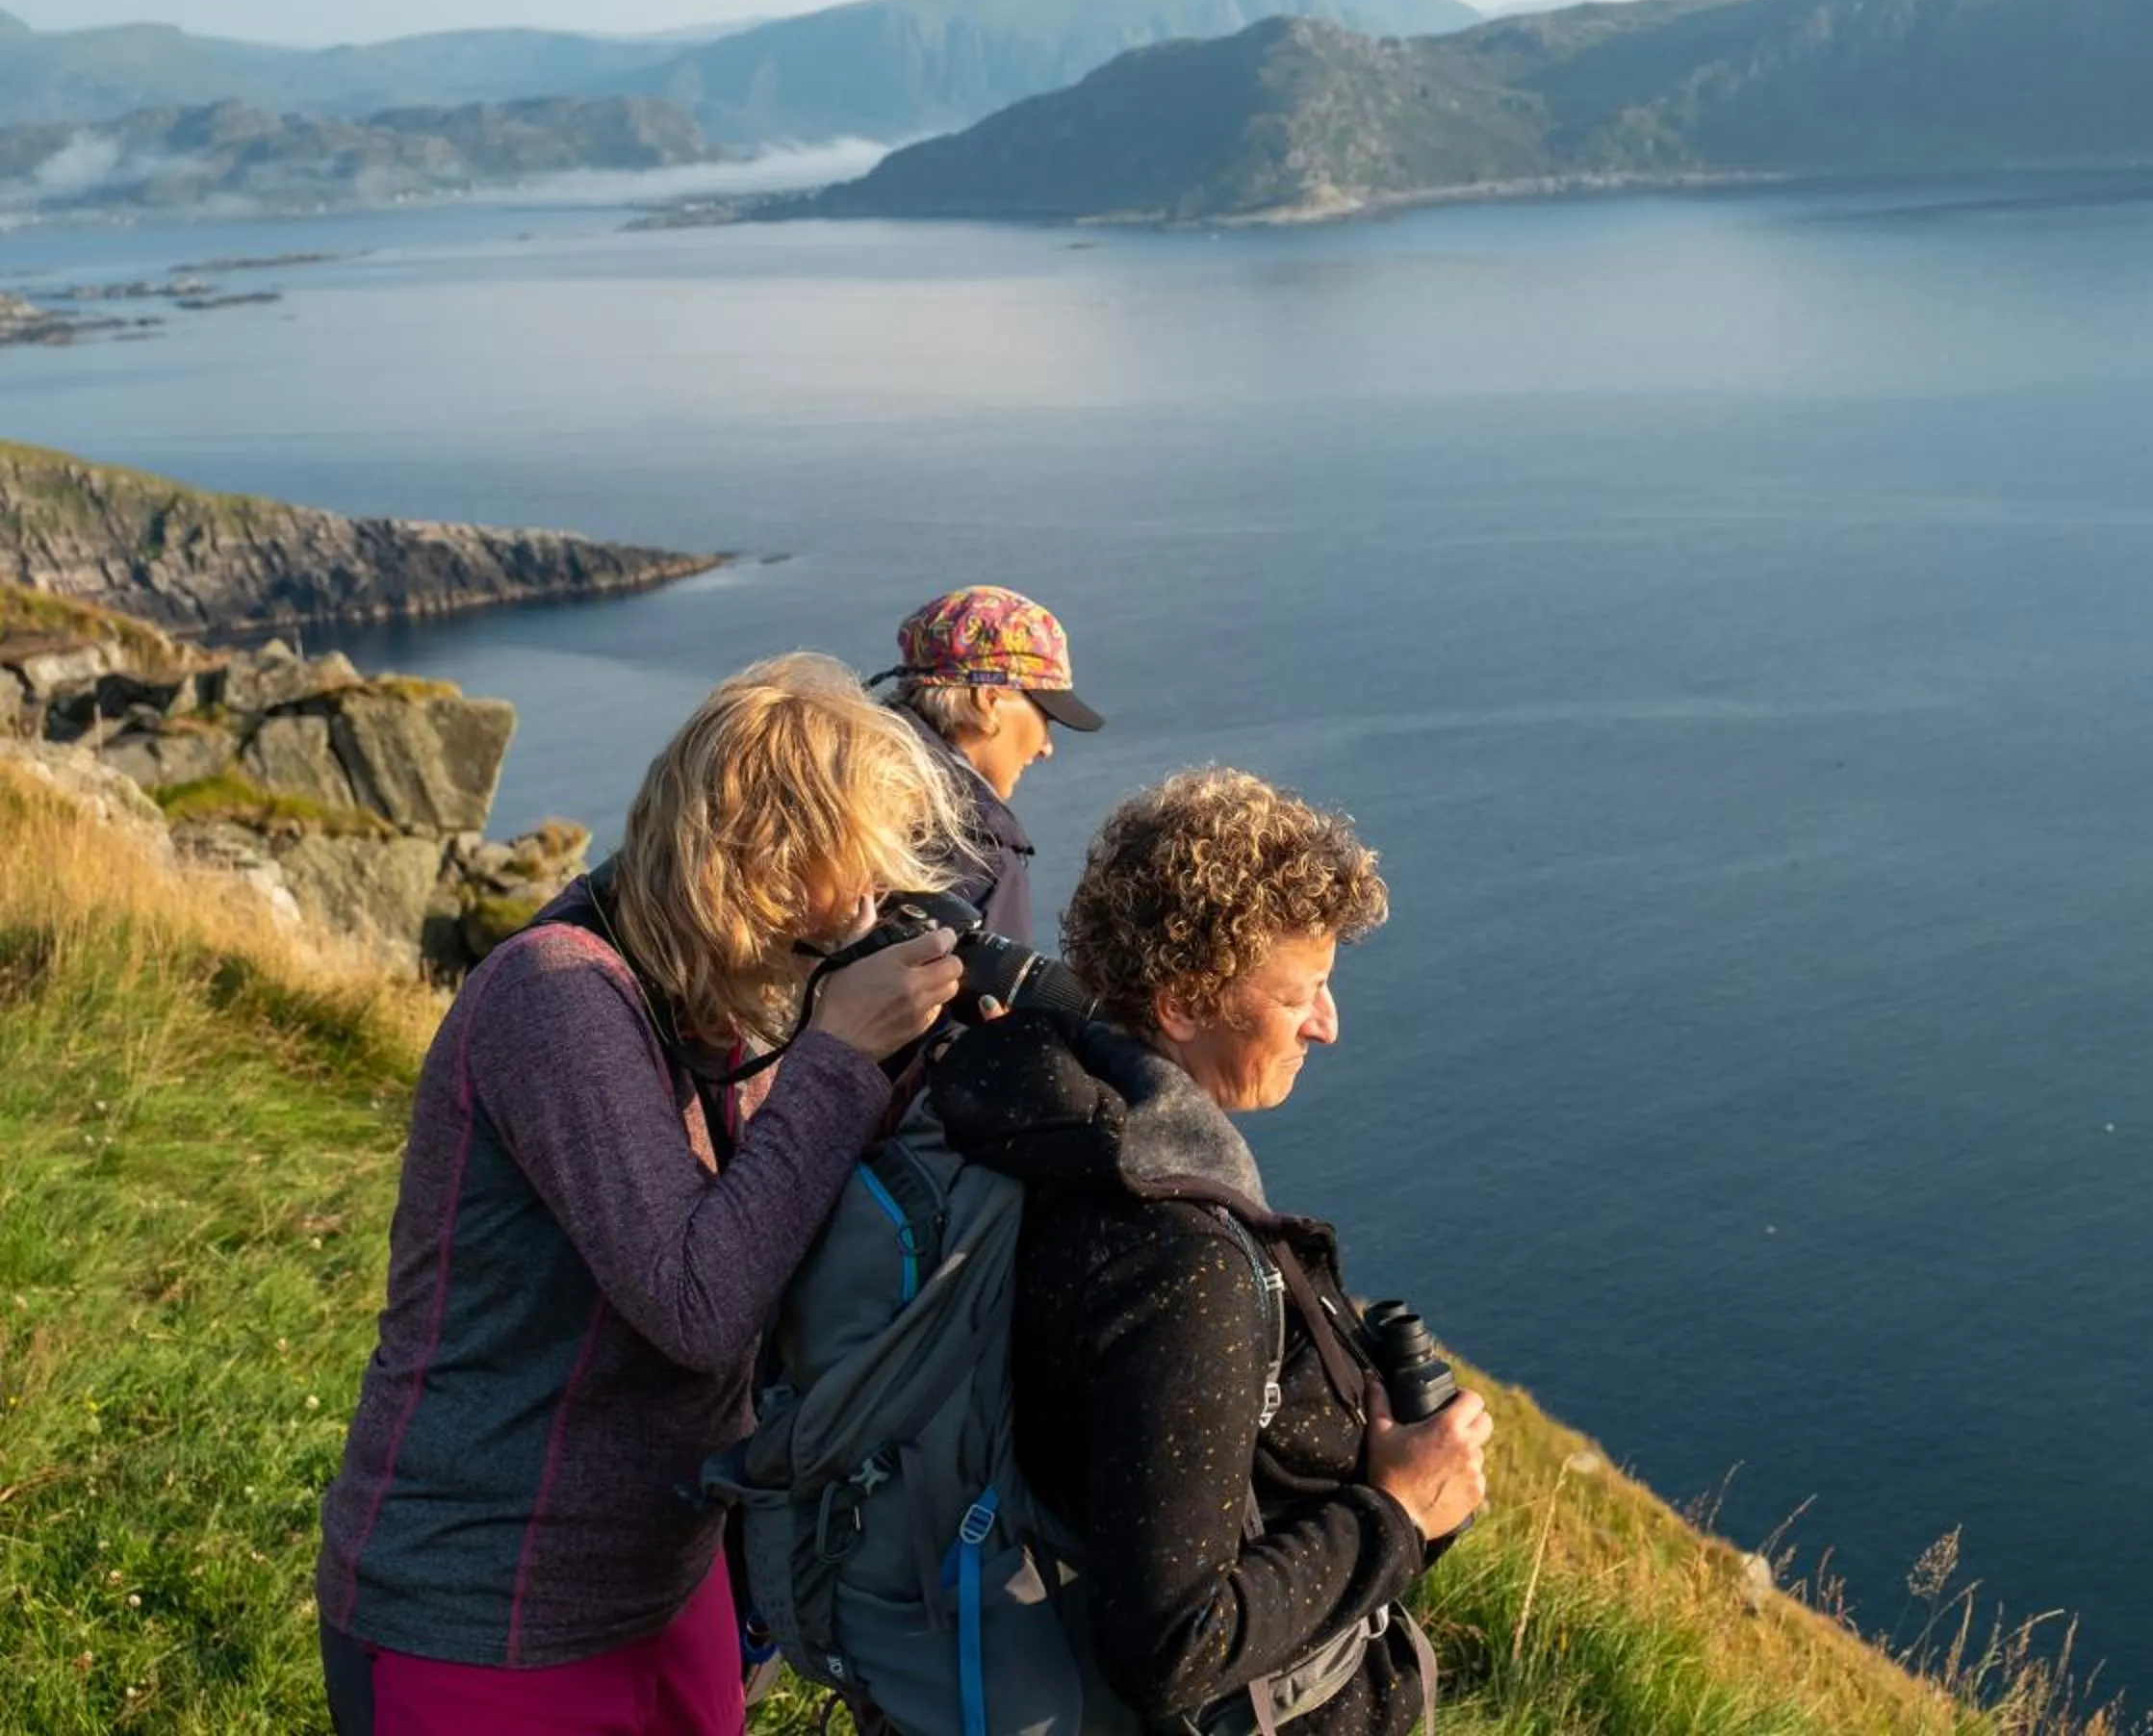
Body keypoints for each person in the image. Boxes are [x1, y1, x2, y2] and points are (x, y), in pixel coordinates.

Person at [315, 654, 972, 1736]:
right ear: (758, 861)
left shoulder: (701, 995)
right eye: (846, 877)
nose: (861, 912)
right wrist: (843, 1055)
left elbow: (778, 1217)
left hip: (661, 1583)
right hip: (485, 1609)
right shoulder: (559, 995)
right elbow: (697, 1300)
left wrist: (911, 1072)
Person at [930, 768, 1492, 1736]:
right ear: (1185, 1002)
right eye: (1302, 991)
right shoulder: (1184, 1265)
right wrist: (1400, 1512)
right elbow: (1170, 1641)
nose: (1329, 1022)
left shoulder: (1042, 1116)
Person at [869, 584, 1105, 944]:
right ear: (989, 701)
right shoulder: (979, 858)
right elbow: (991, 1001)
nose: (1046, 748)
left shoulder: (832, 771)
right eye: (1047, 717)